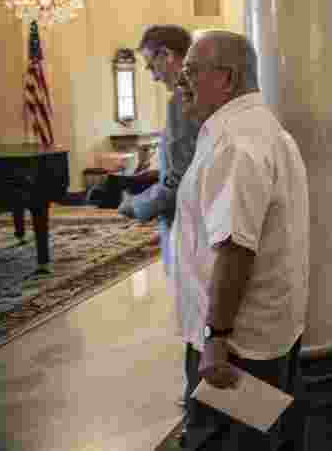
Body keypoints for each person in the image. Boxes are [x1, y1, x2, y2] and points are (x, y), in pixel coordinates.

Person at [172, 30, 309, 451]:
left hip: (236, 345)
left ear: (227, 79)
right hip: (263, 333)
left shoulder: (237, 144)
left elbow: (235, 250)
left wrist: (216, 338)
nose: (181, 83)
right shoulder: (261, 130)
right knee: (267, 438)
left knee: (223, 443)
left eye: (191, 72)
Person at [116, 25, 200, 278]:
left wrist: (136, 205)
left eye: (151, 65)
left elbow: (179, 182)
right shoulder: (203, 94)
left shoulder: (182, 100)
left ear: (167, 55)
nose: (153, 76)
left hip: (188, 226)